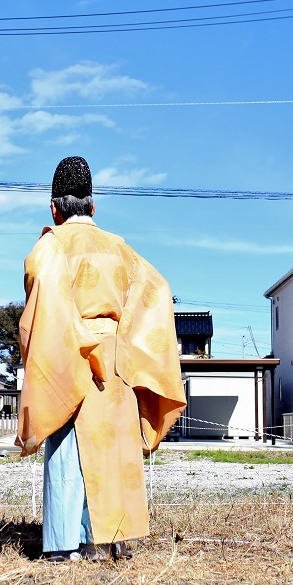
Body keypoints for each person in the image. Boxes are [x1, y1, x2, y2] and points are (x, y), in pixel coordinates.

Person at [16, 155, 186, 561]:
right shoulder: (120, 248)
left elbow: (42, 295)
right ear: (93, 207)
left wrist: (71, 343)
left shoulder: (50, 245)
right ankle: (110, 540)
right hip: (115, 359)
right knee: (114, 450)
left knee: (67, 450)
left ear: (54, 208)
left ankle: (63, 545)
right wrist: (124, 341)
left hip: (69, 352)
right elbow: (156, 290)